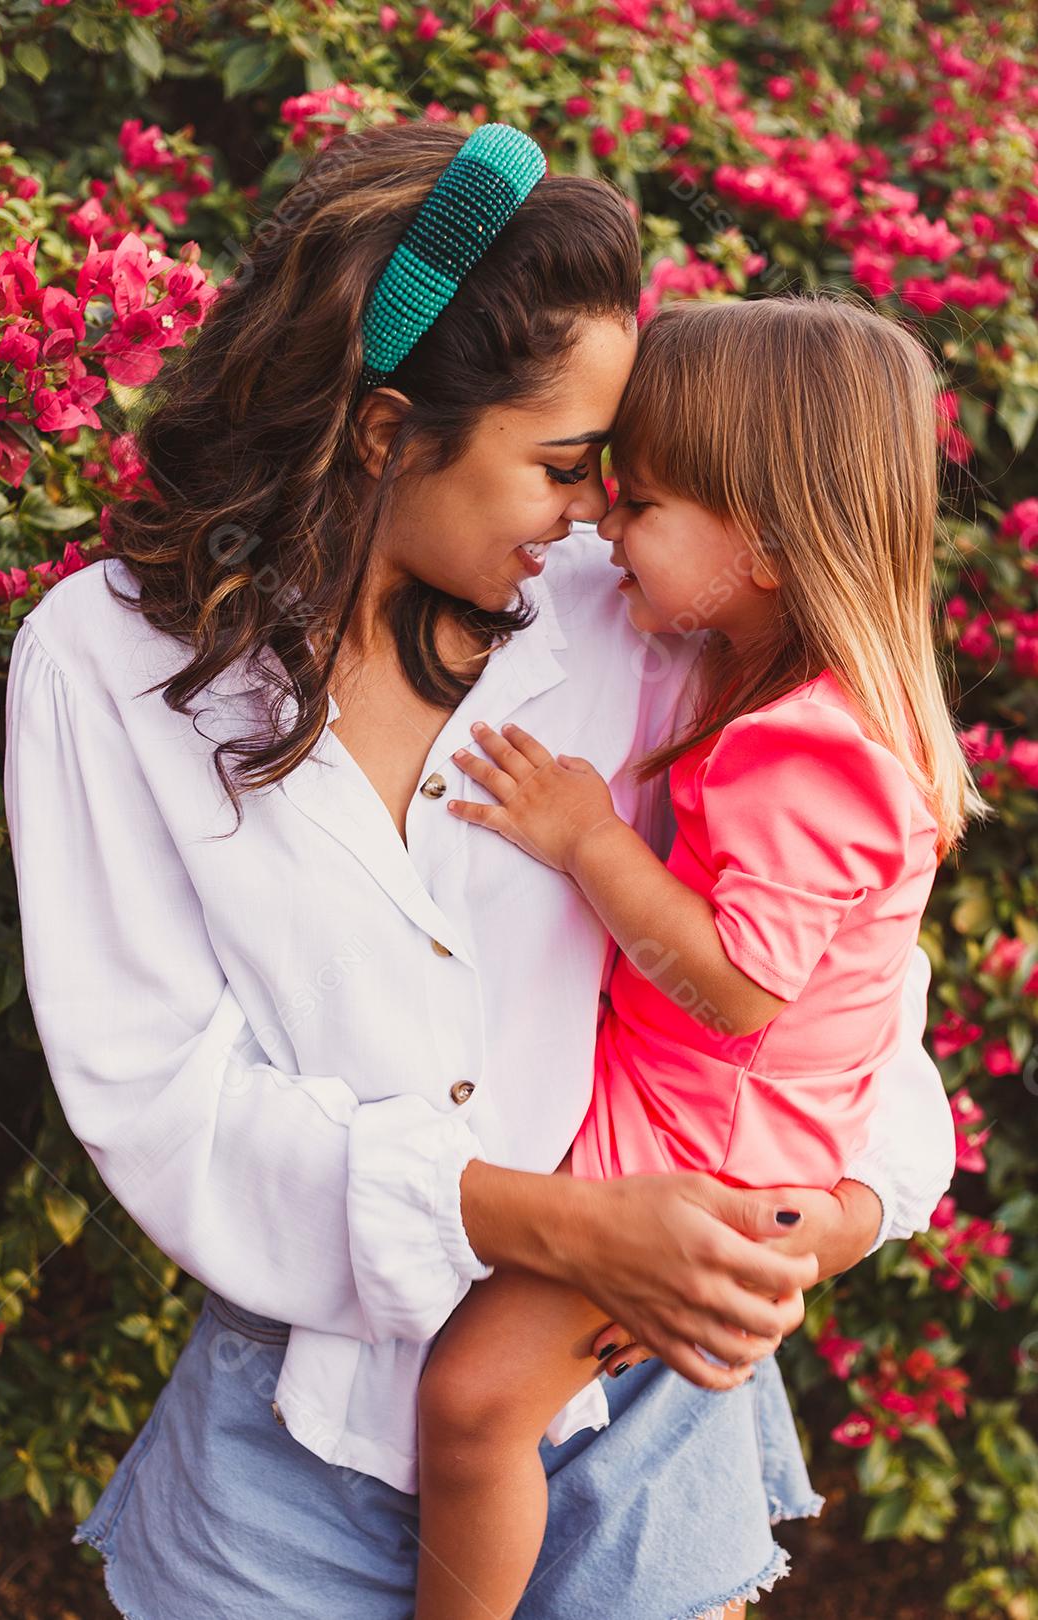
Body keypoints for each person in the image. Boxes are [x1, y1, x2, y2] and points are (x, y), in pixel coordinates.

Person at [1, 121, 956, 1620]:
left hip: (634, 1381)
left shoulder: (633, 622)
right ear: (385, 433)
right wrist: (559, 1221)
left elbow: (835, 971)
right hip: (295, 1423)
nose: (594, 514)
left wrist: (815, 1223)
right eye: (566, 465)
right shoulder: (104, 665)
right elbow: (158, 1094)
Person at [411, 292, 986, 1620]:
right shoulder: (779, 688)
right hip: (701, 1125)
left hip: (700, 1153)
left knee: (471, 1407)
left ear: (771, 548)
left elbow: (739, 988)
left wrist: (585, 838)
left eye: (646, 502)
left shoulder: (804, 747)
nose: (606, 526)